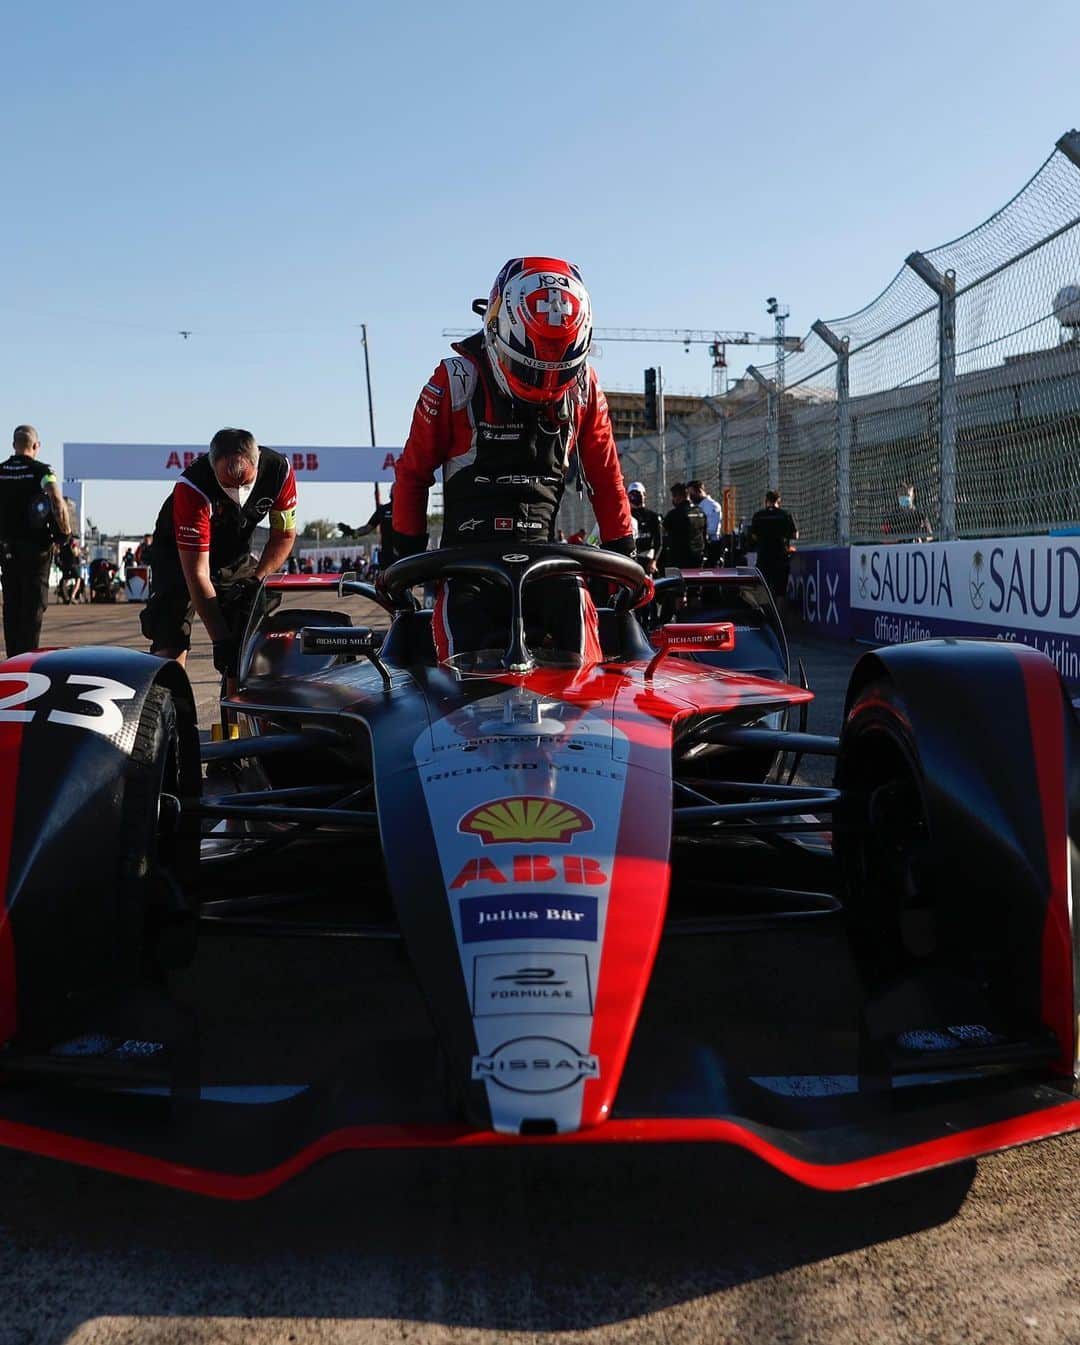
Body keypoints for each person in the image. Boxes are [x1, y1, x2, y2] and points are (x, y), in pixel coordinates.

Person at [392, 256, 634, 663]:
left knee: (585, 638)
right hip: (465, 566)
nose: (547, 385)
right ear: (495, 331)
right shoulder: (454, 382)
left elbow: (607, 478)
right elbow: (413, 476)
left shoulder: (585, 389)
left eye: (560, 372)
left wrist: (625, 558)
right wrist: (404, 562)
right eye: (532, 370)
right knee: (455, 662)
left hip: (549, 561)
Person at [140, 427, 297, 678]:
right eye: (227, 484)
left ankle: (242, 708)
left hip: (234, 552)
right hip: (179, 556)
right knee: (171, 636)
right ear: (213, 468)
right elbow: (197, 575)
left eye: (245, 482)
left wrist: (256, 580)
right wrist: (220, 640)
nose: (237, 492)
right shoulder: (192, 487)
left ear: (257, 464)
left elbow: (284, 536)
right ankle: (172, 705)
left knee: (248, 634)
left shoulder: (280, 472)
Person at [0, 425, 73, 656]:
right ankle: (26, 663)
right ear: (36, 446)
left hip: (7, 550)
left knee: (12, 606)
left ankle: (12, 662)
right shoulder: (42, 471)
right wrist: (65, 532)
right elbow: (56, 498)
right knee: (32, 609)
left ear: (14, 445)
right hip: (36, 551)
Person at [749, 489, 798, 604]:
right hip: (780, 557)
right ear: (779, 500)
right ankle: (779, 619)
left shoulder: (758, 516)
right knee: (780, 591)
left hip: (764, 557)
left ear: (766, 500)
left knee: (763, 588)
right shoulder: (785, 515)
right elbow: (795, 535)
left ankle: (764, 617)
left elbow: (753, 536)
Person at [340, 488, 396, 571]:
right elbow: (367, 528)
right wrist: (353, 532)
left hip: (403, 553)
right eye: (393, 489)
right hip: (386, 555)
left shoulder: (408, 508)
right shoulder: (383, 510)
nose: (394, 490)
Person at [661, 482, 707, 571]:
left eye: (673, 497)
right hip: (698, 556)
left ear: (678, 497)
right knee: (696, 583)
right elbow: (704, 533)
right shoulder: (700, 512)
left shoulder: (674, 514)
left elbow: (662, 531)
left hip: (680, 558)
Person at [626, 481, 663, 575]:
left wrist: (654, 561)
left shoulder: (653, 517)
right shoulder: (626, 516)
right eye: (632, 494)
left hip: (647, 557)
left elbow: (659, 542)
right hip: (630, 558)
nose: (634, 497)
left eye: (638, 493)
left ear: (644, 495)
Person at [687, 480, 722, 565]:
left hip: (710, 546)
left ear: (699, 491)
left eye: (692, 494)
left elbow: (712, 529)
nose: (690, 497)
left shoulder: (711, 506)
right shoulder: (696, 507)